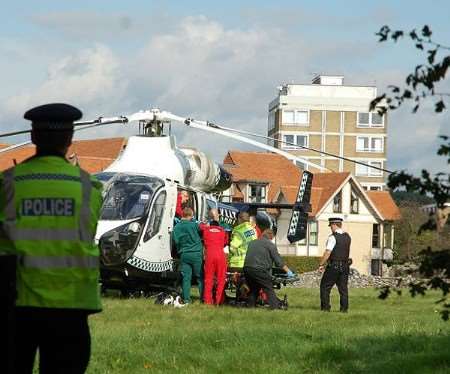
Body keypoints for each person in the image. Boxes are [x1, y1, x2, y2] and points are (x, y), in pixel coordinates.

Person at [1, 103, 103, 373]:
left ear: (33, 136)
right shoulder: (88, 188)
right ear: (70, 140)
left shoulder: (7, 184)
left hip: (17, 305)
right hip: (71, 305)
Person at [243, 229, 294, 309]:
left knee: (254, 288)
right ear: (271, 236)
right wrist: (288, 271)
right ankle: (275, 307)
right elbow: (278, 262)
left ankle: (250, 306)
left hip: (247, 269)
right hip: (259, 270)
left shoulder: (252, 243)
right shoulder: (270, 245)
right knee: (268, 287)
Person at [318, 217, 351, 312]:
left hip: (334, 266)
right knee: (343, 289)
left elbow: (328, 252)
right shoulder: (347, 237)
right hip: (345, 266)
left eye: (331, 226)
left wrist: (321, 264)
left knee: (325, 287)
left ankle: (325, 308)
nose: (330, 228)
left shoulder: (332, 237)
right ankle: (344, 310)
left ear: (334, 225)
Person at [172, 207, 203, 304]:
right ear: (190, 215)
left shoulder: (176, 227)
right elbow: (202, 232)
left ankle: (186, 300)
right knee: (200, 278)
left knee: (186, 278)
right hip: (196, 254)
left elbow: (176, 241)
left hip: (184, 254)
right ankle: (203, 298)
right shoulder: (194, 225)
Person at [199, 208, 228, 305]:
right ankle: (219, 300)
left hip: (209, 255)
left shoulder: (205, 229)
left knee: (208, 279)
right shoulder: (223, 230)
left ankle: (208, 301)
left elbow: (200, 226)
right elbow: (225, 243)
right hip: (220, 255)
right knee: (221, 279)